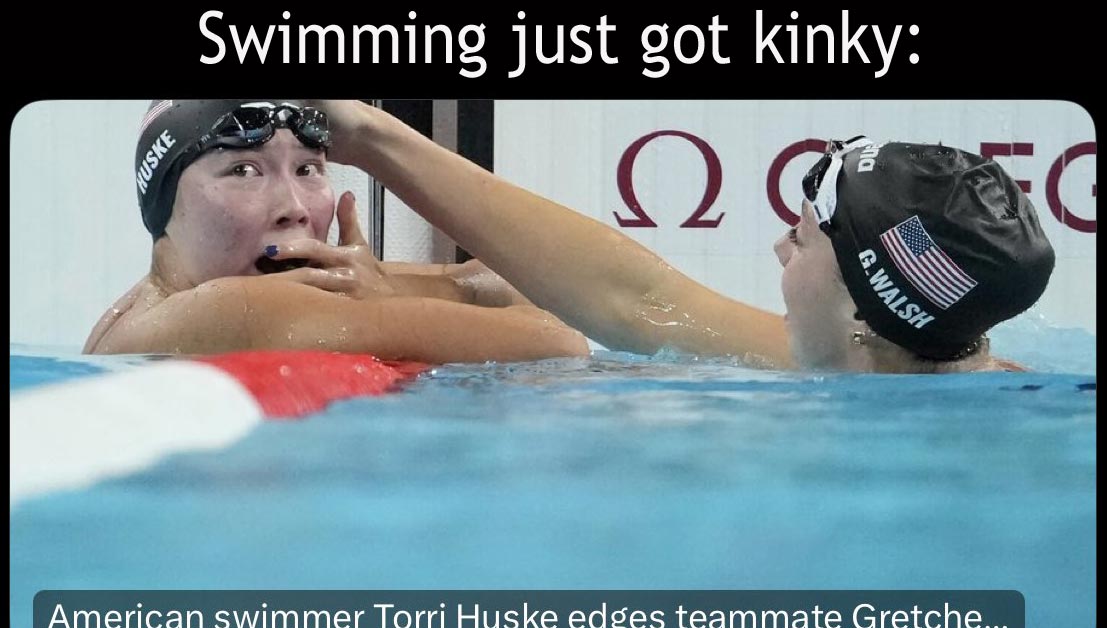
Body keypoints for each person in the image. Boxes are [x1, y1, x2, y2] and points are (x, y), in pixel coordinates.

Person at [307, 100, 1057, 373]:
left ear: (866, 309)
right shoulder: (890, 355)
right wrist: (370, 135)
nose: (777, 250)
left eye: (800, 239)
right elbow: (639, 299)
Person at [83, 100, 589, 362]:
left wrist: (382, 288)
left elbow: (493, 284)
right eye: (244, 171)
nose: (295, 208)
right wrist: (379, 302)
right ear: (163, 203)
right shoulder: (230, 308)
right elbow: (559, 339)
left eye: (308, 169)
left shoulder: (139, 310)